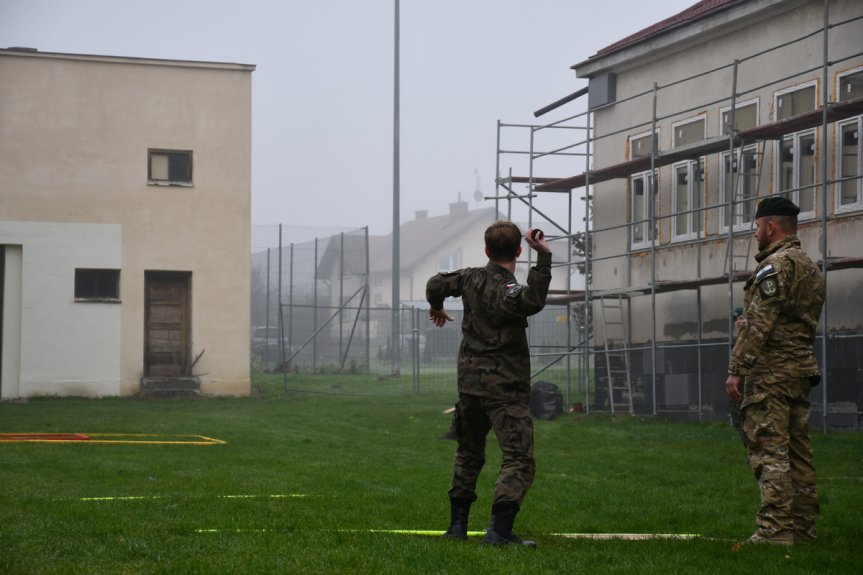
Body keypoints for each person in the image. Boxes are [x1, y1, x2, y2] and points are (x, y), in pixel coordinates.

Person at [426, 220, 551, 547]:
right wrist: (545, 257)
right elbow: (532, 301)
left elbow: (435, 283)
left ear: (486, 251)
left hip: (469, 387)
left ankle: (456, 528)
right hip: (504, 390)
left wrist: (436, 307)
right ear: (519, 251)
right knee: (518, 459)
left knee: (468, 453)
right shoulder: (507, 290)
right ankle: (499, 531)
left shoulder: (470, 278)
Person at [725, 196, 825, 546]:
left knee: (771, 452)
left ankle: (775, 530)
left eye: (756, 227)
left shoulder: (776, 266)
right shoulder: (809, 267)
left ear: (770, 226)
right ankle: (802, 528)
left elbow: (760, 326)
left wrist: (737, 370)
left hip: (771, 374)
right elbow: (794, 321)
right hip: (799, 371)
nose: (755, 235)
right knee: (798, 451)